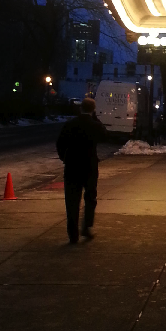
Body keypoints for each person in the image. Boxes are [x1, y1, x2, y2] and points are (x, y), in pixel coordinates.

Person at [56, 96, 108, 243]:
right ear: (93, 110)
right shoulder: (94, 125)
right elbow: (105, 135)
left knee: (72, 200)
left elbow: (60, 143)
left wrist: (64, 157)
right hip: (90, 166)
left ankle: (72, 233)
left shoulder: (70, 124)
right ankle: (87, 227)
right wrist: (96, 119)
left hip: (72, 166)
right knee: (90, 198)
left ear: (80, 108)